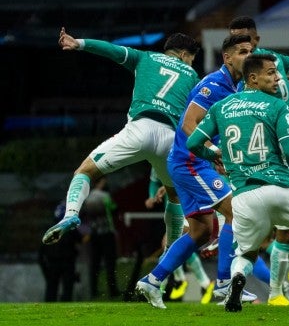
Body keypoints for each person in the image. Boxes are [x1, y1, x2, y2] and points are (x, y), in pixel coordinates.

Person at [186, 53, 289, 311]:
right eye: (271, 73)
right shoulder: (276, 105)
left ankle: (237, 280)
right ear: (253, 78)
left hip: (244, 194)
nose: (277, 78)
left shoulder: (221, 107)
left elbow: (193, 142)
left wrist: (214, 155)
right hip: (279, 187)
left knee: (247, 253)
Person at [42, 28, 200, 250]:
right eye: (191, 59)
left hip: (139, 130)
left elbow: (111, 50)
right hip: (170, 140)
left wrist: (78, 43)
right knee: (174, 197)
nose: (190, 64)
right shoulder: (193, 76)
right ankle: (170, 255)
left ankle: (70, 215)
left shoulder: (144, 57)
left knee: (85, 171)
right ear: (185, 55)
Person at [135, 34, 258, 309]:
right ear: (226, 57)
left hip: (190, 163)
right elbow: (190, 124)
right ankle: (225, 284)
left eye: (250, 51)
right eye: (242, 51)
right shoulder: (213, 85)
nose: (248, 56)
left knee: (202, 232)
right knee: (235, 213)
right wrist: (213, 153)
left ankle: (152, 281)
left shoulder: (236, 87)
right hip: (189, 162)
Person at [229, 16, 289, 305]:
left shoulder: (268, 66)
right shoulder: (237, 76)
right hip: (257, 151)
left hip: (285, 142)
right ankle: (286, 281)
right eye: (235, 40)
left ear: (256, 39)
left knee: (285, 221)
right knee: (281, 218)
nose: (242, 44)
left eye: (246, 38)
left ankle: (279, 289)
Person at [38, 201, 85, 302]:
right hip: (67, 262)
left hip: (52, 263)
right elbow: (80, 240)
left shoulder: (49, 228)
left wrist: (44, 265)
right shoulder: (69, 229)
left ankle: (49, 309)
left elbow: (42, 250)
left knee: (52, 289)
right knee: (67, 289)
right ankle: (65, 309)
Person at [82, 176, 120, 298]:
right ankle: (112, 291)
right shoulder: (105, 196)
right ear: (101, 182)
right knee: (110, 262)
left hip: (94, 233)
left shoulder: (87, 197)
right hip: (106, 232)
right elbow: (113, 209)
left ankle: (93, 291)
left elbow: (84, 215)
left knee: (94, 263)